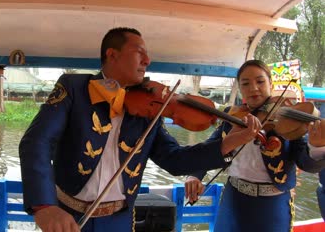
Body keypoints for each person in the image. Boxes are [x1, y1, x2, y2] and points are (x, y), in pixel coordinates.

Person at [19, 27, 262, 232]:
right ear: (112, 55)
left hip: (119, 221)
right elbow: (37, 142)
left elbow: (175, 160)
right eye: (139, 53)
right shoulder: (74, 87)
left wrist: (230, 142)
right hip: (67, 216)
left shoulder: (149, 108)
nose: (147, 60)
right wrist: (44, 206)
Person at [184, 59, 325, 232]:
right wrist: (195, 175)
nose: (253, 88)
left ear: (270, 84)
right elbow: (212, 146)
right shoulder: (233, 115)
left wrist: (316, 146)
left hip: (272, 205)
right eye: (245, 83)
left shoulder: (289, 120)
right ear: (240, 88)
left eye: (260, 81)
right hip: (233, 198)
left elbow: (306, 163)